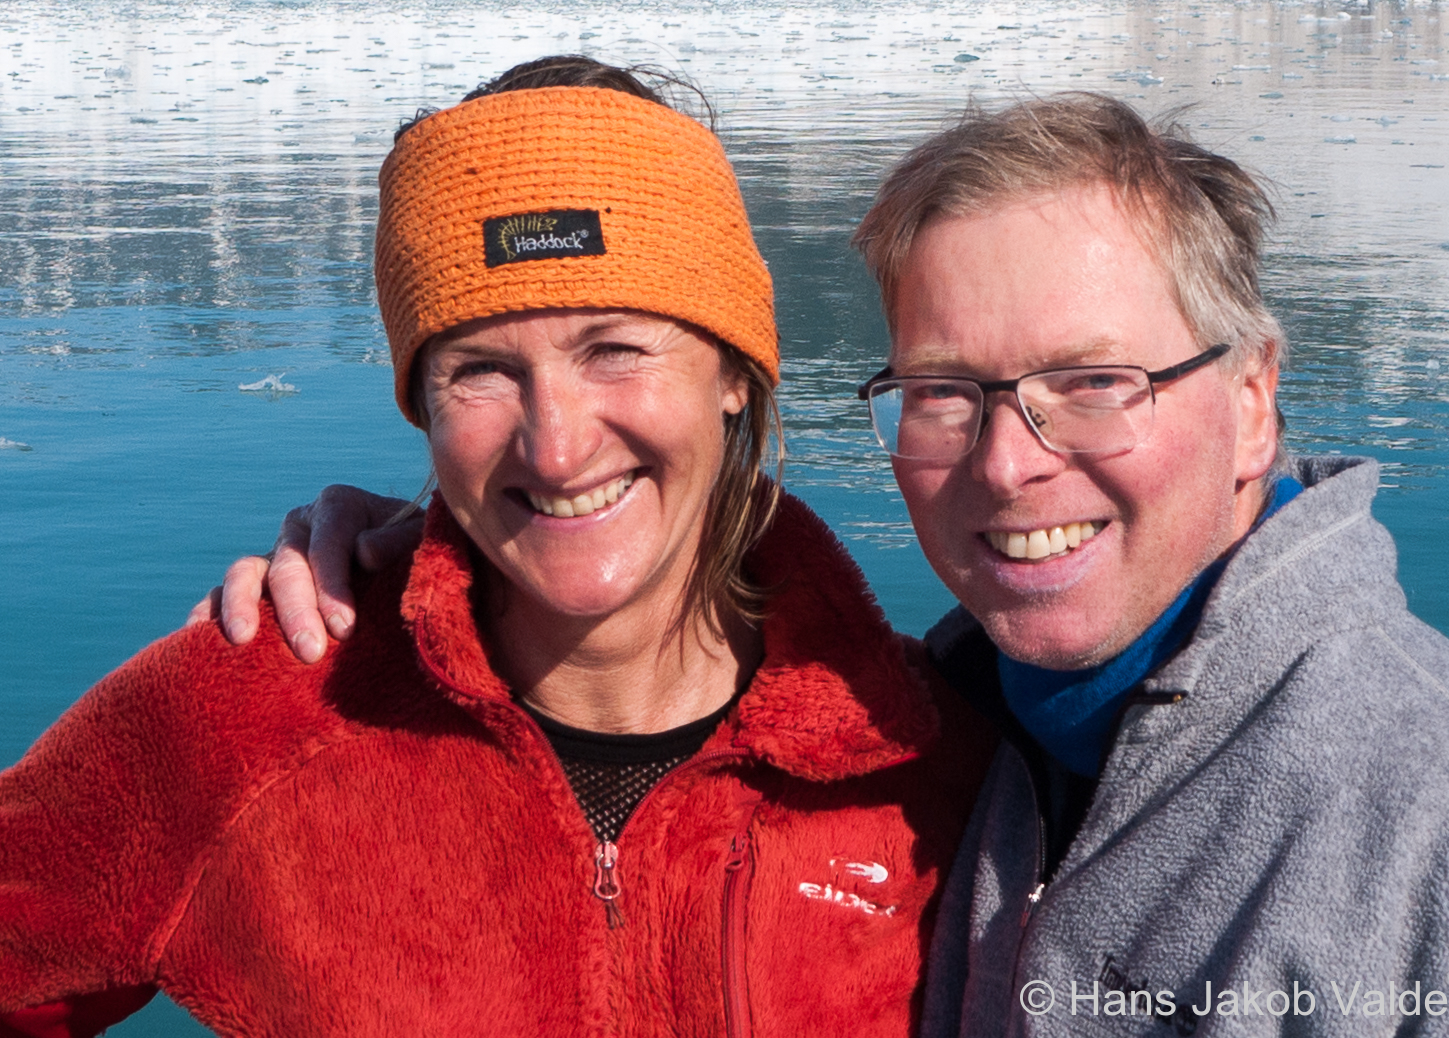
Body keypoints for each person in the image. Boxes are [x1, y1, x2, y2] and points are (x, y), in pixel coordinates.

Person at [223, 90, 1449, 1035]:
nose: (1009, 463)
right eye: (946, 391)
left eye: (1094, 380)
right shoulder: (929, 729)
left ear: (1253, 400)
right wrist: (449, 538)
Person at [0, 58, 995, 1036]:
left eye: (614, 348)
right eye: (479, 369)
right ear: (421, 404)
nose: (555, 446)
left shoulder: (941, 764)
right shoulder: (250, 716)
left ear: (735, 372)